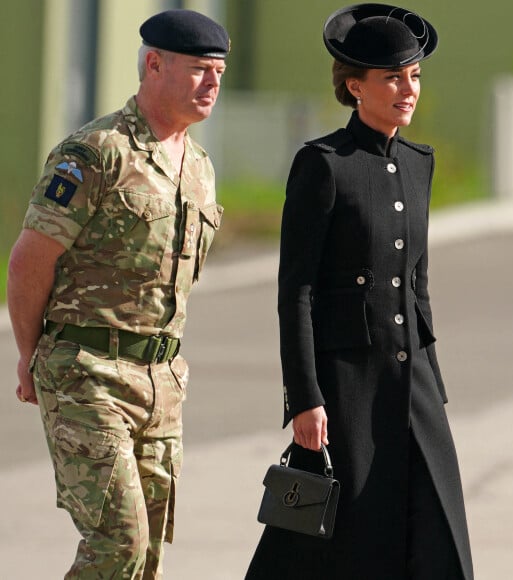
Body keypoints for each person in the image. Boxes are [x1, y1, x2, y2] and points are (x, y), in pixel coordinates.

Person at [246, 4, 473, 579]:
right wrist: (304, 397)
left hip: (412, 380)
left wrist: (433, 386)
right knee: (342, 540)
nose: (408, 88)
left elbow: (417, 286)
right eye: (393, 77)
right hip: (345, 384)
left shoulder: (420, 163)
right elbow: (295, 290)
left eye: (415, 75)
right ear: (355, 86)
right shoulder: (322, 165)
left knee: (435, 527)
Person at [8, 9, 229, 578]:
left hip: (161, 382)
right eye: (201, 69)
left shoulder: (199, 167)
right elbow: (30, 262)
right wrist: (31, 357)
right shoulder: (95, 152)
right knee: (118, 545)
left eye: (220, 72)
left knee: (146, 554)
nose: (213, 84)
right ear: (154, 65)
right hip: (87, 371)